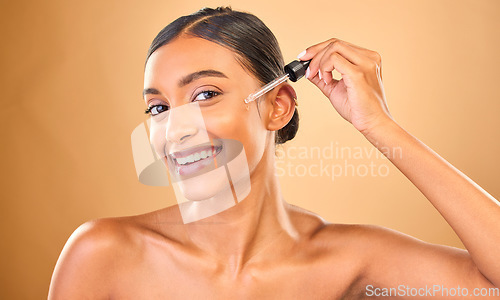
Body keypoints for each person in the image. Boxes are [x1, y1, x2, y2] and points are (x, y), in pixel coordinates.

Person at [48, 6, 500, 299]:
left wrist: (378, 124)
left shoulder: (350, 262)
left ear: (277, 105)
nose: (175, 131)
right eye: (159, 108)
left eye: (205, 95)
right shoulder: (103, 255)